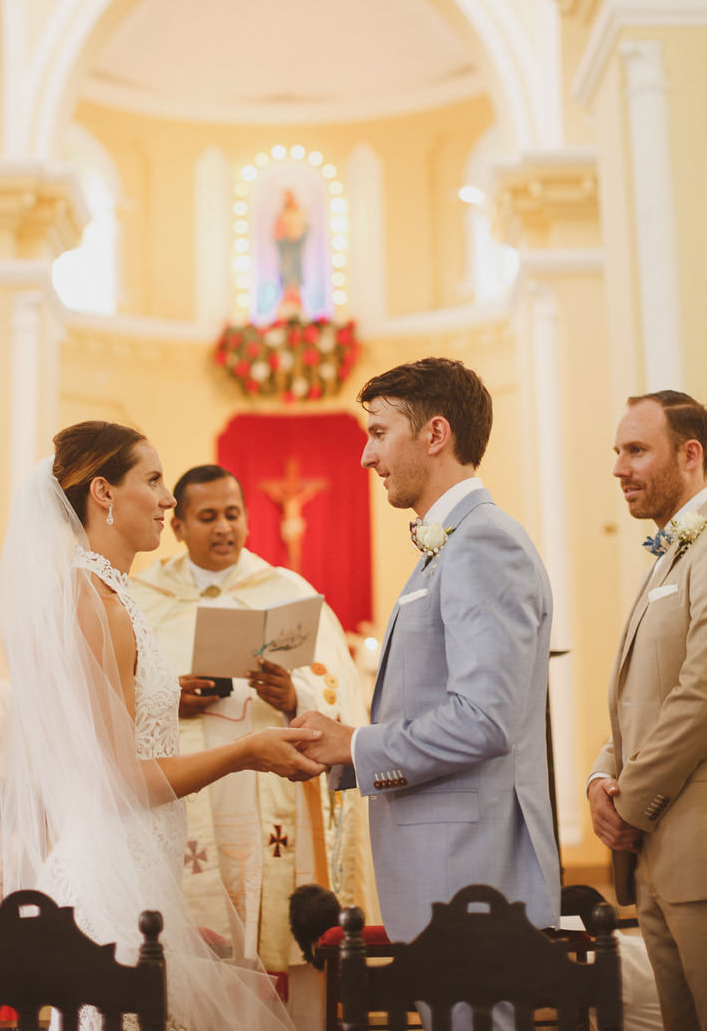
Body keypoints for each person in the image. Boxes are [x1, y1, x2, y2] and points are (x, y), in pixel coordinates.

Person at [0, 421, 325, 1031]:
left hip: (138, 858)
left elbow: (106, 727)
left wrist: (165, 698)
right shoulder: (101, 606)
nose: (169, 499)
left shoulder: (106, 596)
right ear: (103, 493)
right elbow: (124, 777)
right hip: (112, 866)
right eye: (154, 480)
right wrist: (248, 749)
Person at [292, 358, 560, 1021]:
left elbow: (484, 718)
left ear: (434, 433)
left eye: (379, 432)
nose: (365, 454)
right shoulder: (448, 546)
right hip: (448, 872)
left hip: (473, 874)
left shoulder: (482, 543)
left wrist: (357, 745)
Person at [129, 465, 377, 1020]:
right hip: (193, 788)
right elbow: (116, 695)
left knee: (275, 924)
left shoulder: (286, 592)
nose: (224, 528)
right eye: (207, 517)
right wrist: (169, 699)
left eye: (233, 514)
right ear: (180, 526)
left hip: (270, 797)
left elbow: (338, 689)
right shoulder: (144, 600)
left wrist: (294, 694)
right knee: (201, 932)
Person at [588, 391, 707, 1031]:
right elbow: (636, 699)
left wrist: (630, 802)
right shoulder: (667, 554)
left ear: (691, 455)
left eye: (636, 450)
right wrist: (600, 777)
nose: (620, 468)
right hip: (655, 857)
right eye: (618, 452)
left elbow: (705, 692)